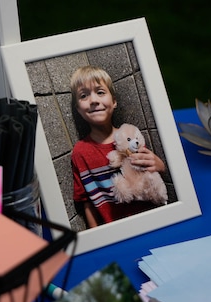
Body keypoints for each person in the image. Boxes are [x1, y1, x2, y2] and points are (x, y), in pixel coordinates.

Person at [70, 65, 166, 228]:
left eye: (100, 92)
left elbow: (151, 175)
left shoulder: (130, 135)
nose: (93, 100)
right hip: (115, 233)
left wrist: (160, 166)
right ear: (78, 109)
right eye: (84, 95)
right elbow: (87, 203)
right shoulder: (80, 153)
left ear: (114, 101)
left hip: (153, 223)